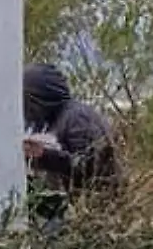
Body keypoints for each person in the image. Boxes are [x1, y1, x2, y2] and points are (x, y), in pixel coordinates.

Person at [22, 62, 119, 227]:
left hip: (96, 212)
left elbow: (92, 165)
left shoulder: (77, 118)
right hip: (79, 210)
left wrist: (45, 155)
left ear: (41, 98)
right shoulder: (57, 119)